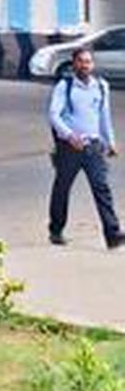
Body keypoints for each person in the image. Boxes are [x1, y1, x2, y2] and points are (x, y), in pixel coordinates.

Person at [47, 44, 124, 249]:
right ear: (74, 64)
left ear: (93, 64)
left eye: (88, 62)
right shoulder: (65, 86)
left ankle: (113, 233)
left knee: (102, 188)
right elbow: (54, 115)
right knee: (62, 189)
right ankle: (56, 229)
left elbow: (103, 116)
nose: (85, 65)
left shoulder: (101, 86)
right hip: (70, 147)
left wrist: (110, 142)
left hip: (93, 146)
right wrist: (69, 136)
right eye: (81, 62)